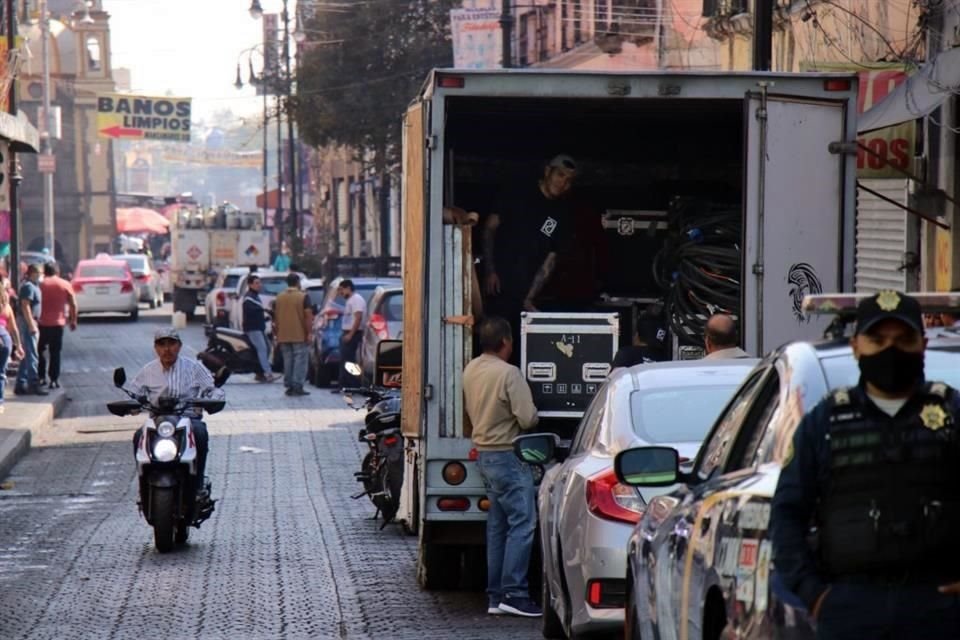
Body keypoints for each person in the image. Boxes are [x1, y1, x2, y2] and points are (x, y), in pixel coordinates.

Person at [771, 290, 960, 638]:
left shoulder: (952, 413)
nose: (891, 350)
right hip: (850, 606)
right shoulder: (825, 422)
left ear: (923, 344)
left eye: (904, 339)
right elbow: (787, 512)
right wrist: (815, 595)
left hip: (938, 607)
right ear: (857, 346)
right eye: (878, 339)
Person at [462, 316, 541, 618]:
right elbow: (528, 418)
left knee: (497, 527)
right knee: (523, 524)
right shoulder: (509, 373)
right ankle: (515, 593)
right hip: (508, 455)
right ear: (506, 342)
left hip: (483, 454)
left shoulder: (471, 368)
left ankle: (495, 595)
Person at [482, 154, 578, 362]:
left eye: (568, 180)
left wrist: (530, 297)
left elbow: (550, 260)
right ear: (547, 171)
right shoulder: (517, 192)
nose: (563, 183)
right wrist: (490, 270)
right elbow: (490, 228)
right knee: (492, 343)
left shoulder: (561, 213)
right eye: (560, 175)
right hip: (497, 285)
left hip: (524, 293)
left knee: (519, 351)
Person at [130, 328, 225, 502]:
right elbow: (132, 394)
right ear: (155, 348)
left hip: (187, 420)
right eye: (162, 344)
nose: (167, 349)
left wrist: (212, 400)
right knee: (138, 437)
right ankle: (143, 489)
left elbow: (213, 390)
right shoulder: (147, 371)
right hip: (158, 422)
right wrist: (131, 405)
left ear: (179, 346)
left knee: (200, 434)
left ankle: (197, 486)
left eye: (171, 344)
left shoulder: (194, 368)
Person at [37, 263, 78, 389]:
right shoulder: (65, 284)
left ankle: (41, 377)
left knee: (40, 351)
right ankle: (54, 380)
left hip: (41, 323)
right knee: (55, 352)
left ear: (45, 272)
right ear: (57, 271)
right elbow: (73, 304)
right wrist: (73, 320)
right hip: (58, 323)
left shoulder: (40, 285)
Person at [274, 272, 313, 396]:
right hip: (299, 334)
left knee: (288, 360)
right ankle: (297, 385)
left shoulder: (279, 297)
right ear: (298, 282)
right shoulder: (303, 297)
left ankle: (289, 384)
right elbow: (308, 316)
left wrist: (277, 333)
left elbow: (276, 317)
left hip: (283, 334)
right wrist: (309, 333)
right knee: (299, 360)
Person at [15, 264, 46, 396]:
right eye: (39, 273)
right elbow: (25, 306)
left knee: (27, 354)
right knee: (32, 354)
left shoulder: (34, 286)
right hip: (28, 322)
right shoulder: (28, 286)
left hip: (32, 321)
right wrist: (31, 324)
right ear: (32, 272)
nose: (41, 276)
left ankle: (20, 384)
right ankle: (33, 383)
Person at [241, 275, 275, 383]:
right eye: (256, 283)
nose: (259, 285)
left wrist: (265, 317)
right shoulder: (249, 298)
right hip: (253, 329)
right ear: (250, 285)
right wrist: (263, 310)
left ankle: (259, 372)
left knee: (268, 348)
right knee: (263, 349)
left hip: (259, 328)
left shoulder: (255, 296)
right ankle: (268, 373)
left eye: (259, 283)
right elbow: (251, 310)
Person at [337, 279, 366, 389]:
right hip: (347, 332)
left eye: (341, 290)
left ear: (348, 288)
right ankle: (344, 384)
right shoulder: (350, 300)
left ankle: (352, 385)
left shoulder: (356, 300)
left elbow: (358, 318)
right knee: (345, 359)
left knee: (349, 360)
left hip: (353, 333)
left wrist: (350, 335)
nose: (340, 293)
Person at [0, 286, 24, 413]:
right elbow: (14, 329)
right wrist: (19, 346)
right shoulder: (7, 308)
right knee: (1, 373)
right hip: (5, 341)